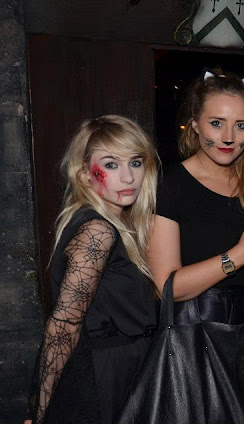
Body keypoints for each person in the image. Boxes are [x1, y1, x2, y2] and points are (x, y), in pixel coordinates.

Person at [147, 69, 244, 423]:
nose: (229, 137)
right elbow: (166, 287)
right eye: (217, 123)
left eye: (241, 125)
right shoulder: (170, 185)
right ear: (195, 124)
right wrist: (237, 257)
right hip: (196, 332)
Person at [26, 115, 160, 424]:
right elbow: (63, 326)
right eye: (111, 165)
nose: (128, 177)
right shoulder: (97, 230)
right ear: (85, 175)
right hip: (105, 379)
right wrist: (41, 411)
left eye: (135, 162)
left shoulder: (119, 225)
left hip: (124, 371)